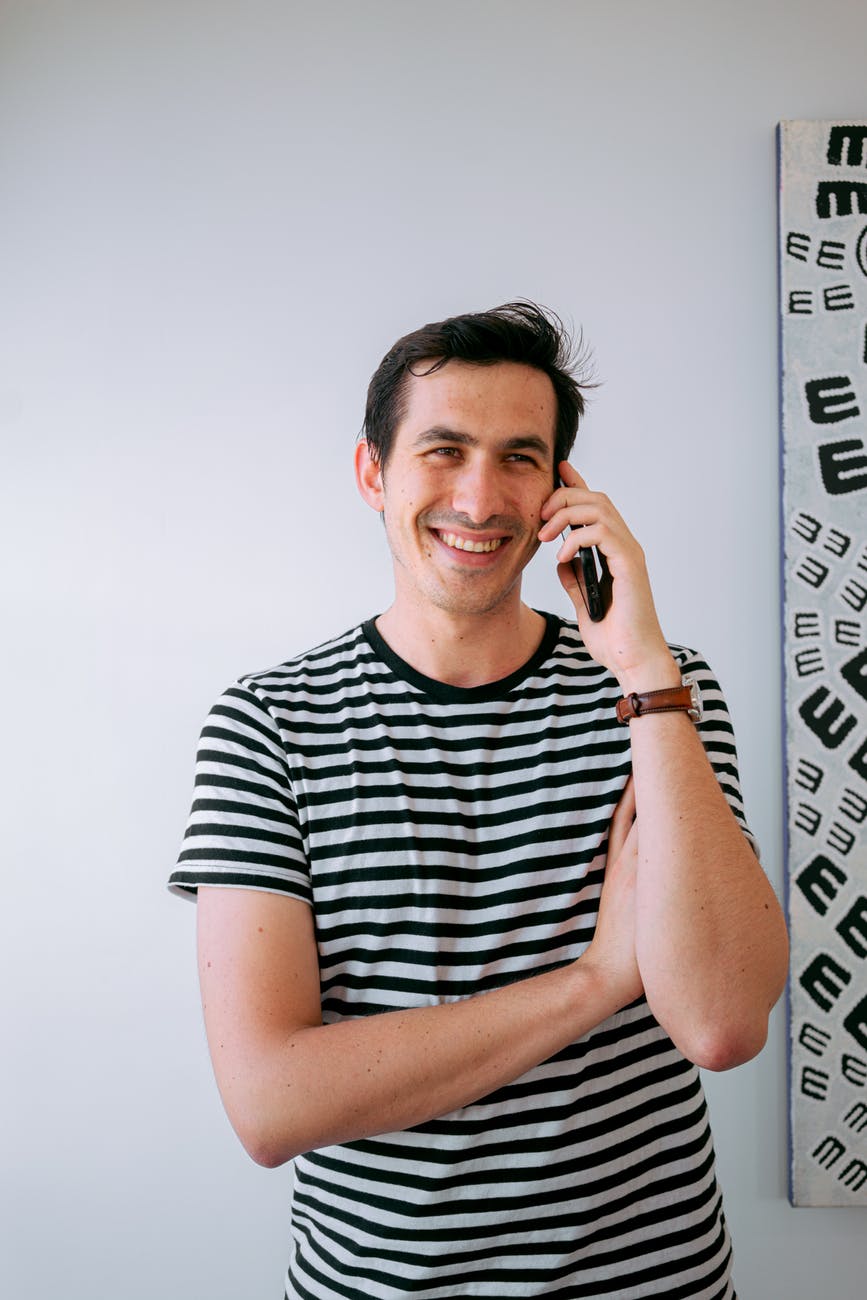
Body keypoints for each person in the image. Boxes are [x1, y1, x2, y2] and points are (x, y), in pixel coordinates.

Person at [170, 301, 788, 1299]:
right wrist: (596, 980)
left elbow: (721, 1024)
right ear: (373, 472)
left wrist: (642, 669)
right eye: (444, 450)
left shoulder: (663, 693)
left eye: (519, 458)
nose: (479, 496)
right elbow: (271, 1104)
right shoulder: (267, 724)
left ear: (560, 492)